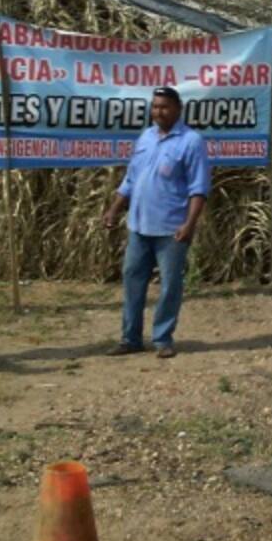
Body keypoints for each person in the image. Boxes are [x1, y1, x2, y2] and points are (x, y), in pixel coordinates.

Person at [104, 86, 211, 359]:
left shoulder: (191, 141)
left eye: (164, 107)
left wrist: (189, 224)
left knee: (169, 285)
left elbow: (198, 189)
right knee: (132, 281)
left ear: (178, 109)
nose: (158, 112)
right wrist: (114, 210)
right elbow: (130, 180)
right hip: (139, 226)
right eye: (155, 107)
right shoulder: (146, 137)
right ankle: (131, 338)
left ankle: (162, 338)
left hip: (171, 228)